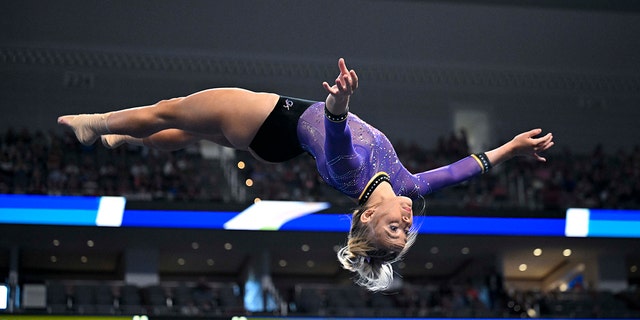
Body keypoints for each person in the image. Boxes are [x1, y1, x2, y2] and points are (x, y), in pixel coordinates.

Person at [58, 58, 554, 291]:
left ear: (363, 219)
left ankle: (96, 124)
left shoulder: (351, 172)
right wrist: (510, 148)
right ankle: (126, 137)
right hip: (276, 143)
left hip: (274, 120)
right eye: (407, 229)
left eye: (393, 228)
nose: (406, 219)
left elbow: (336, 136)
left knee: (172, 110)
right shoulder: (404, 186)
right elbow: (459, 170)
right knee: (193, 133)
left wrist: (338, 104)